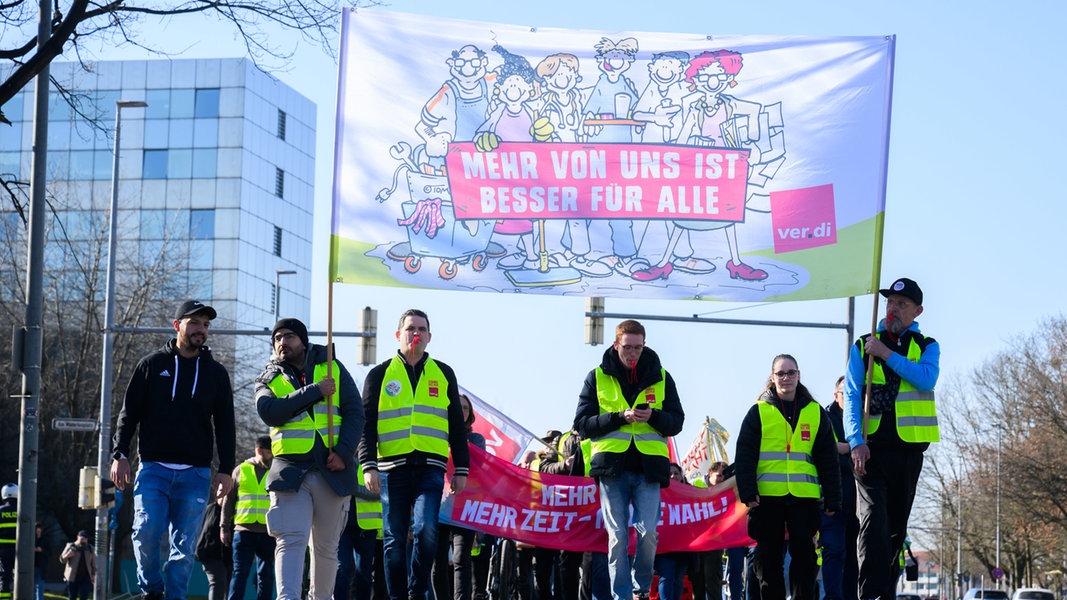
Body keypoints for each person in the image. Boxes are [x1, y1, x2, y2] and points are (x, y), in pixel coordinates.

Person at [110, 300, 236, 600]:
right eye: (194, 323)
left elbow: (226, 425)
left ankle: (174, 597)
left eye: (205, 325)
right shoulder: (152, 365)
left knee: (184, 549)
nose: (201, 330)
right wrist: (120, 454)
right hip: (153, 467)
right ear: (177, 325)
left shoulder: (216, 373)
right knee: (146, 532)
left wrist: (225, 470)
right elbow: (129, 414)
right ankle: (152, 590)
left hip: (195, 473)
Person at [358, 309, 471, 600]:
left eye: (421, 328)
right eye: (410, 328)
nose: (416, 333)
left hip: (430, 469)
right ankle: (398, 597)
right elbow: (366, 423)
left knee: (426, 530)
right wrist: (367, 464)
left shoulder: (444, 373)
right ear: (399, 335)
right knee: (394, 539)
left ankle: (416, 591)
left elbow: (457, 425)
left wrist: (461, 468)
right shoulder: (379, 374)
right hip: (391, 470)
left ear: (430, 336)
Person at [574, 319, 685, 600]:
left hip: (649, 469)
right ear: (616, 345)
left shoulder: (662, 376)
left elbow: (677, 422)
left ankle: (640, 588)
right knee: (618, 537)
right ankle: (622, 595)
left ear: (644, 345)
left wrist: (655, 416)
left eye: (638, 347)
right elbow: (582, 424)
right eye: (628, 347)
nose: (633, 353)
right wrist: (618, 417)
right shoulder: (596, 376)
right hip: (612, 469)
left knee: (648, 534)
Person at [844, 278, 939, 600]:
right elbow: (853, 395)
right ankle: (868, 594)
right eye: (890, 302)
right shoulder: (863, 345)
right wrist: (856, 441)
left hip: (909, 452)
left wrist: (886, 354)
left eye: (901, 304)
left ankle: (886, 592)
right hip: (871, 452)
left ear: (917, 311)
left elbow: (927, 378)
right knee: (872, 524)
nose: (893, 308)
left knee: (896, 530)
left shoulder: (927, 345)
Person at [256, 317, 364, 600]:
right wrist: (315, 391)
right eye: (277, 338)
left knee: (326, 547)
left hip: (332, 472)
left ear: (303, 341)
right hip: (290, 474)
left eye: (289, 336)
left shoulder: (333, 368)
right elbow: (269, 411)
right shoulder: (268, 377)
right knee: (291, 541)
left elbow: (356, 413)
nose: (282, 342)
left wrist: (343, 453)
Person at [734, 354, 841, 600]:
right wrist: (748, 491)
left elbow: (828, 459)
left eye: (791, 373)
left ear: (798, 375)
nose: (786, 378)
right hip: (767, 499)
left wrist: (834, 497)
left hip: (804, 497)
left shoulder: (815, 412)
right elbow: (745, 454)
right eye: (780, 373)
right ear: (772, 378)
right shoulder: (758, 412)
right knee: (768, 559)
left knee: (805, 558)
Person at [433, 393, 487, 600]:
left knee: (460, 558)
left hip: (465, 505)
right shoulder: (436, 436)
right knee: (438, 560)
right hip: (439, 504)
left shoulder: (476, 440)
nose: (461, 410)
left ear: (470, 414)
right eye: (458, 407)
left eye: (465, 408)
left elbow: (478, 467)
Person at [222, 435, 275, 600]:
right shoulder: (241, 470)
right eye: (269, 453)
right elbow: (228, 500)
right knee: (240, 573)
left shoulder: (276, 471)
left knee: (266, 575)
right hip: (243, 531)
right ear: (259, 451)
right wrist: (224, 527)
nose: (272, 456)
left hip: (268, 532)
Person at [819, 376, 859, 600]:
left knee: (855, 556)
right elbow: (826, 448)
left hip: (859, 500)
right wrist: (853, 447)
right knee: (833, 551)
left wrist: (846, 449)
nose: (851, 396)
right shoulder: (825, 418)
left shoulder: (865, 418)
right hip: (833, 497)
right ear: (836, 396)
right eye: (846, 393)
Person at [653, 464, 690, 600]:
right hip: (664, 547)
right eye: (669, 474)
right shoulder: (655, 492)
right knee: (666, 578)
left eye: (676, 473)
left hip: (683, 548)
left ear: (681, 476)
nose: (673, 476)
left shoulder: (690, 493)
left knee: (678, 580)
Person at [196, 497, 232, 600]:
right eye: (221, 494)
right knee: (217, 583)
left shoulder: (233, 511)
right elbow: (203, 532)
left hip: (229, 556)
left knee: (228, 587)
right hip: (211, 555)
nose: (224, 497)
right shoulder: (210, 510)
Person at [59, 530, 96, 600]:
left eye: (85, 539)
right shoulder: (70, 546)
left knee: (84, 596)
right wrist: (67, 555)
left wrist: (93, 575)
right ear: (77, 537)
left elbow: (93, 563)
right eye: (82, 539)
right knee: (72, 597)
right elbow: (61, 560)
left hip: (85, 577)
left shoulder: (90, 548)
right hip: (72, 577)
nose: (83, 541)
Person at [0, 483, 16, 598]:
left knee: (4, 577)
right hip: (21, 549)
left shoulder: (0, 510)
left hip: (3, 550)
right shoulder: (24, 510)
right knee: (22, 576)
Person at [35, 522, 50, 600]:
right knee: (33, 586)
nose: (38, 531)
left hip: (41, 566)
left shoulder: (45, 539)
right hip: (33, 565)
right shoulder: (32, 538)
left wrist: (41, 550)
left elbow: (49, 552)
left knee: (40, 585)